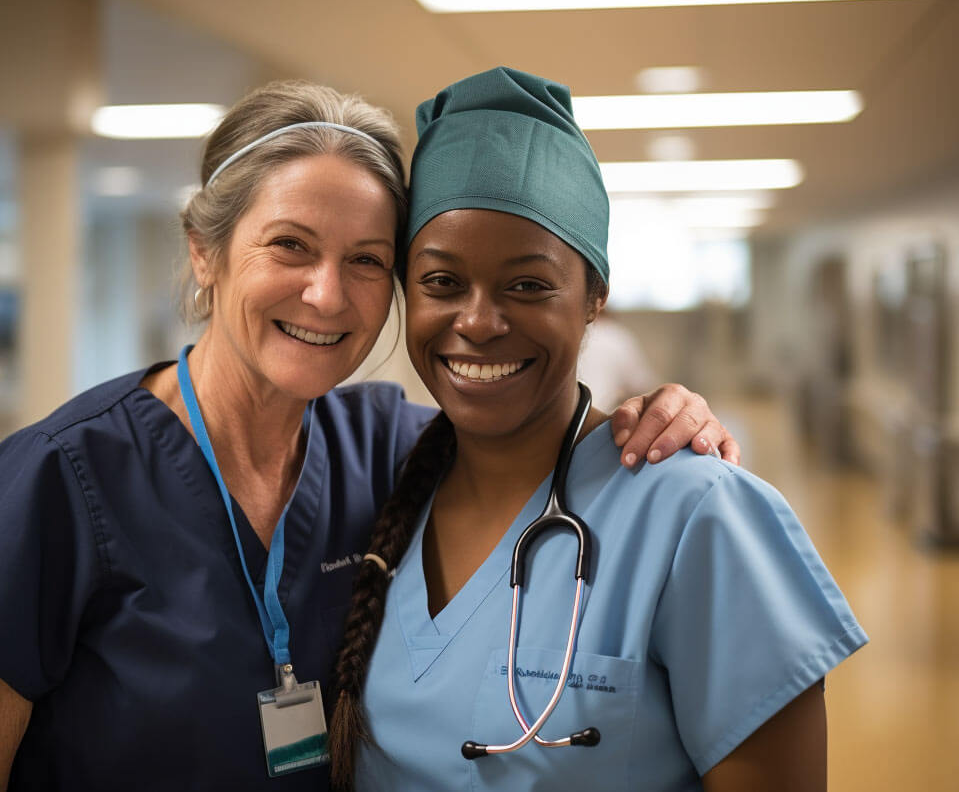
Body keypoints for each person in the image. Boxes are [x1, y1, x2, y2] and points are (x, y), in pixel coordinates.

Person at [0, 80, 740, 790]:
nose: (327, 297)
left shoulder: (387, 449)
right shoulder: (58, 481)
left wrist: (658, 413)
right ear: (204, 251)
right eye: (289, 247)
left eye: (367, 260)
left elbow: (533, 429)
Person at [328, 68, 867, 791]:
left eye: (528, 285)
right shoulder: (382, 491)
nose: (479, 322)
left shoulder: (697, 514)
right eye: (443, 282)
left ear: (594, 299)